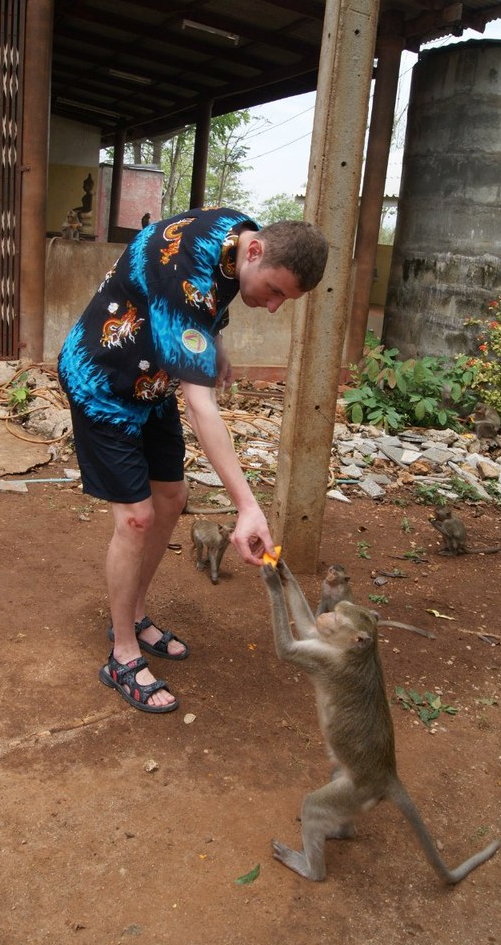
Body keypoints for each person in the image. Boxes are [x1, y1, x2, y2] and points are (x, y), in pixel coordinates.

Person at [58, 206, 328, 715]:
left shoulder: (239, 230)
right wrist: (247, 506)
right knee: (136, 517)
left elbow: (212, 302)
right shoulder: (187, 269)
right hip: (103, 380)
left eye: (284, 301)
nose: (272, 307)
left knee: (173, 496)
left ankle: (134, 615)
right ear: (255, 252)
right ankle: (122, 654)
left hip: (150, 383)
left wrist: (216, 344)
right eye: (274, 291)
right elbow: (201, 407)